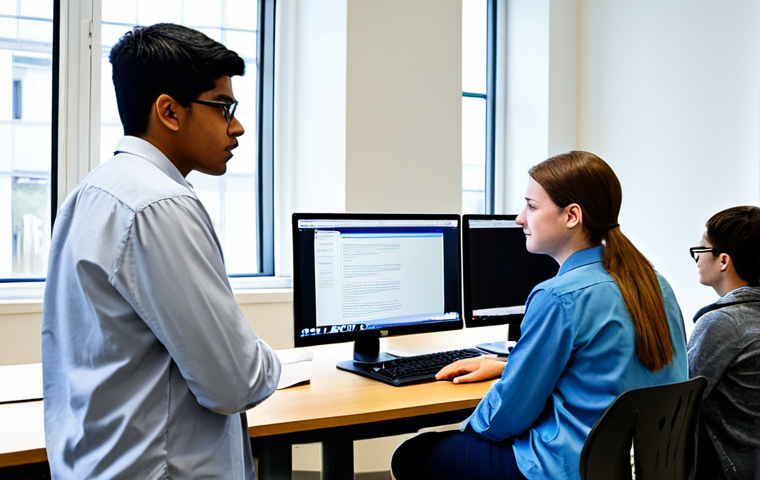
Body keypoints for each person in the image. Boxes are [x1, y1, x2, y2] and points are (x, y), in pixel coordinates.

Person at [41, 24, 281, 479]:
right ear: (169, 111)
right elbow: (235, 380)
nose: (238, 126)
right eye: (223, 107)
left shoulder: (92, 192)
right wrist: (269, 358)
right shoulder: (161, 205)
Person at [391, 151, 688, 480]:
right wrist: (508, 366)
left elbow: (507, 418)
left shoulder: (558, 296)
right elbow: (612, 368)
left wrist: (467, 427)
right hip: (638, 468)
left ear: (572, 215)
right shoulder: (654, 282)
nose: (520, 218)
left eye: (531, 206)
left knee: (414, 454)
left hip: (563, 469)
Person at [688, 206, 760, 480]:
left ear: (723, 261)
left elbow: (680, 399)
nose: (697, 258)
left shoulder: (723, 322)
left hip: (726, 469)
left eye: (702, 249)